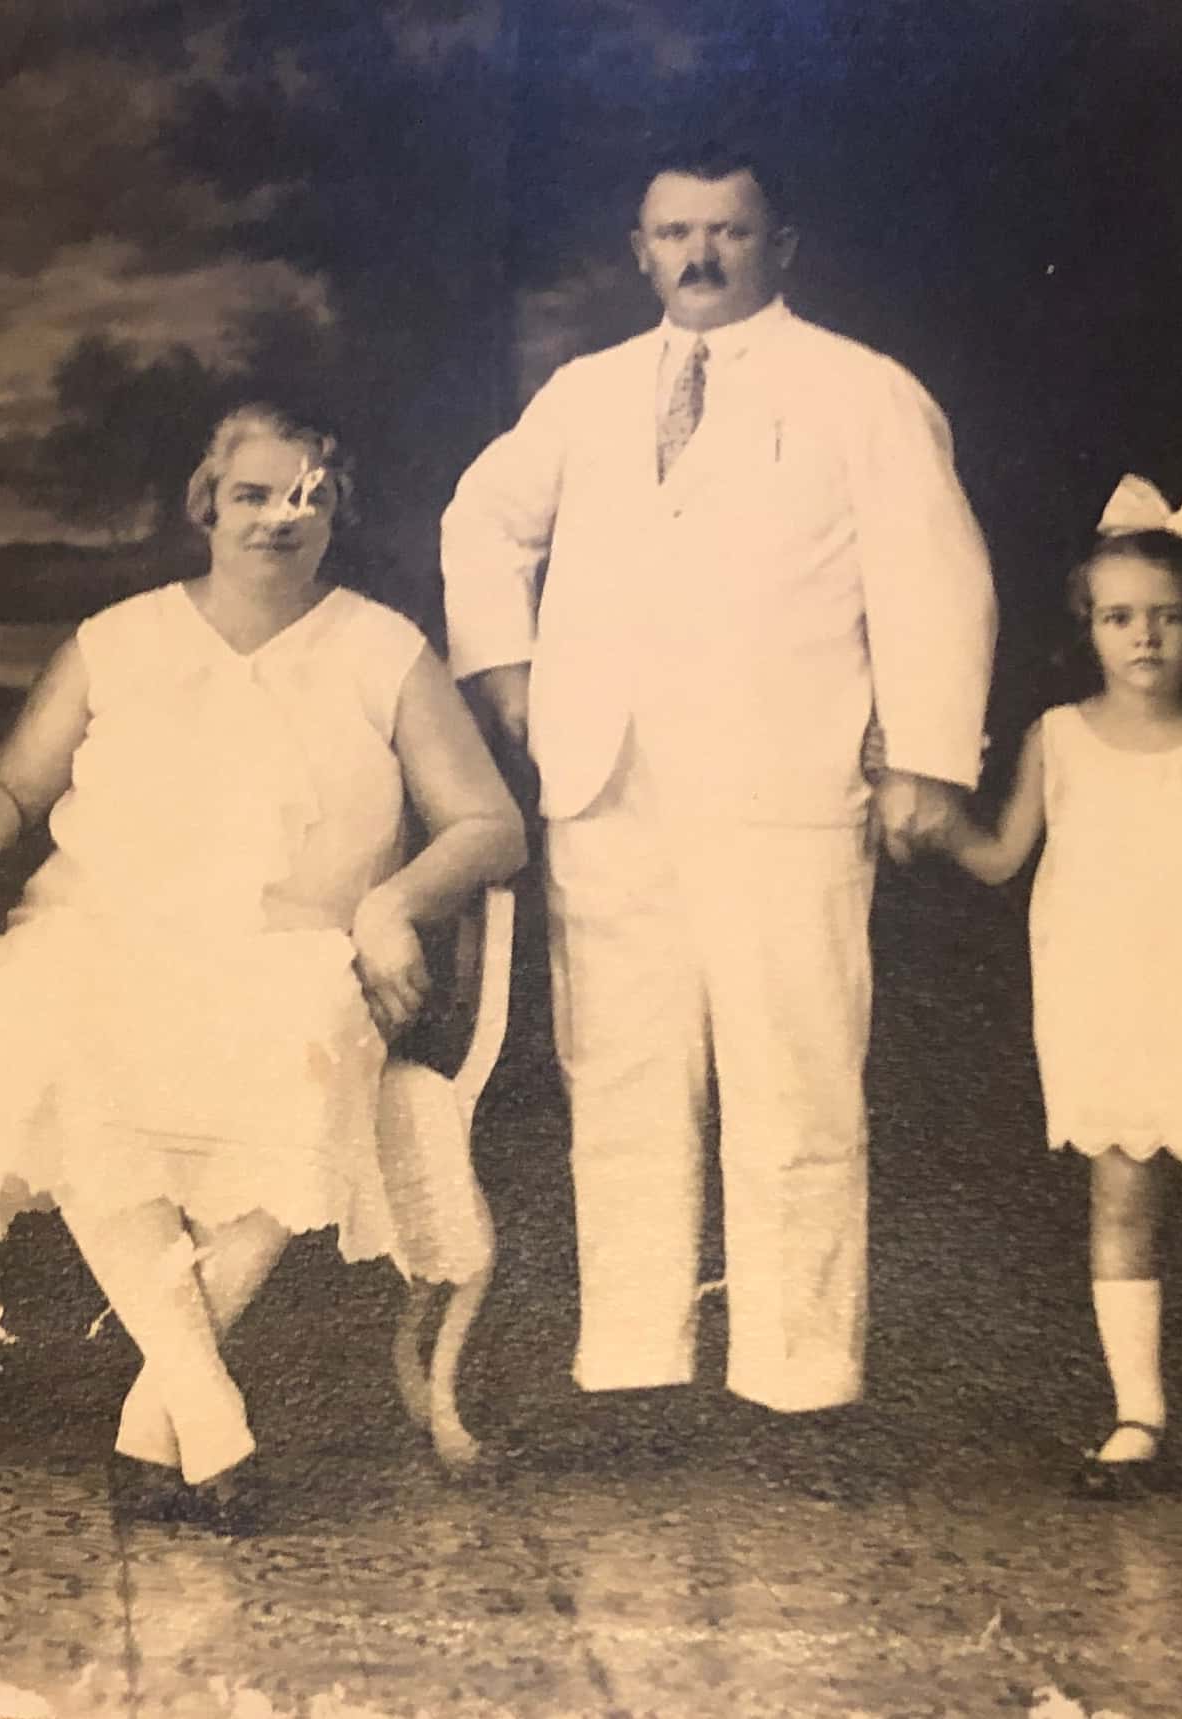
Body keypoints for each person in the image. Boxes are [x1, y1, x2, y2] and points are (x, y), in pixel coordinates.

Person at [438, 139, 996, 1455]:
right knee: (620, 1075)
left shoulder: (861, 392)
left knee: (793, 1077)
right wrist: (511, 679)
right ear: (640, 249)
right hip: (609, 785)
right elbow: (479, 519)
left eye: (728, 233)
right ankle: (633, 1366)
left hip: (780, 788)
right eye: (675, 232)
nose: (699, 256)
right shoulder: (585, 393)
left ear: (780, 243)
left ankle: (800, 1379)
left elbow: (938, 576)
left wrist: (921, 758)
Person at [0, 404, 525, 1531]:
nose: (279, 519)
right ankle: (206, 1411)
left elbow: (489, 823)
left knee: (319, 1032)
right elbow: (11, 789)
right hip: (95, 936)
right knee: (57, 1022)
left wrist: (394, 903)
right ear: (206, 504)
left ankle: (160, 1417)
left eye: (308, 498)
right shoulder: (118, 638)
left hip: (292, 954)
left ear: (338, 514)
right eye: (252, 495)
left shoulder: (384, 651)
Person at [933, 476, 1182, 1508]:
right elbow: (999, 857)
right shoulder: (1057, 739)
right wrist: (935, 820)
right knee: (1118, 1199)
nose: (1144, 639)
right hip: (1104, 1004)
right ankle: (1137, 1421)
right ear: (1089, 627)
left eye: (1168, 617)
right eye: (1120, 618)